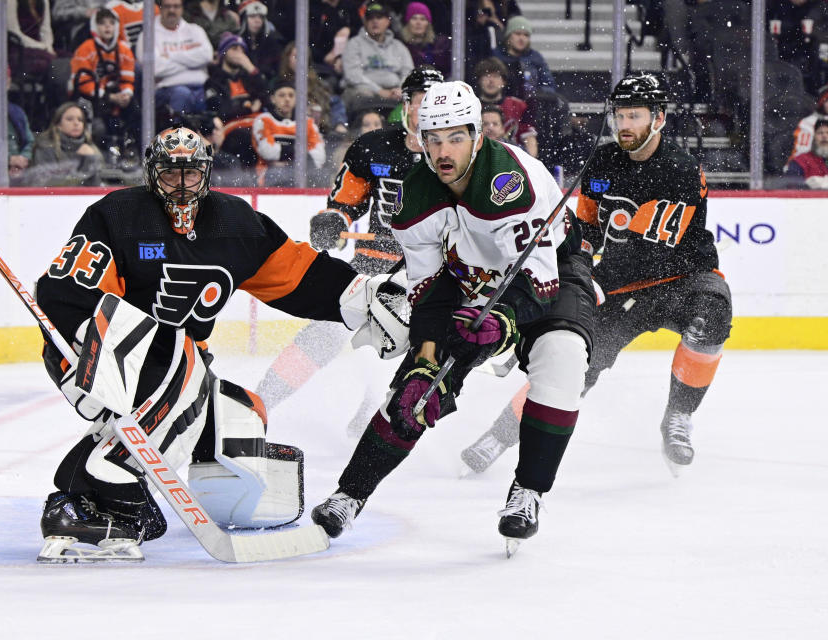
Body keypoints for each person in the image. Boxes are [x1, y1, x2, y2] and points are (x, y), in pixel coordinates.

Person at [32, 126, 403, 561]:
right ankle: (108, 493)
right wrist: (107, 364)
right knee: (180, 365)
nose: (183, 185)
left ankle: (74, 506)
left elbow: (299, 275)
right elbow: (63, 292)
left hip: (178, 368)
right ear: (152, 173)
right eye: (172, 174)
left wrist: (363, 297)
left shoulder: (233, 223)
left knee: (241, 418)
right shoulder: (117, 215)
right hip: (88, 355)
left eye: (193, 173)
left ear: (208, 173)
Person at [311, 81, 595, 551]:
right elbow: (429, 287)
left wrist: (499, 324)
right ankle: (350, 493)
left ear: (477, 136)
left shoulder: (510, 183)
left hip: (550, 274)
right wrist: (425, 358)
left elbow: (540, 285)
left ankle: (527, 491)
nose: (444, 151)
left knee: (562, 358)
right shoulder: (413, 197)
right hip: (470, 278)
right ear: (419, 138)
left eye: (456, 138)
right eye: (433, 139)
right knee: (414, 395)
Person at [461, 74, 731, 479]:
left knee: (713, 313)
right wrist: (572, 266)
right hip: (620, 288)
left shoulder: (680, 170)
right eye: (620, 115)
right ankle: (499, 436)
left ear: (658, 119)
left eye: (634, 116)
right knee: (570, 364)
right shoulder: (602, 162)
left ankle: (678, 416)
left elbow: (653, 253)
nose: (624, 124)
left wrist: (594, 283)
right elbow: (585, 229)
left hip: (683, 278)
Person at [255, 66, 443, 429]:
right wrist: (334, 221)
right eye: (419, 102)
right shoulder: (372, 147)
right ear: (404, 106)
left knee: (414, 354)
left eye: (433, 103)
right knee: (323, 334)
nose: (425, 111)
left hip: (431, 275)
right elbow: (345, 202)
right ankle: (260, 402)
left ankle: (379, 419)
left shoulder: (459, 155)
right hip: (373, 267)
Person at [70, 8, 139, 151]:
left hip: (115, 95)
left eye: (111, 23)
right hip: (90, 96)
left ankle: (133, 149)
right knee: (99, 125)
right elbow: (82, 83)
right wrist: (108, 96)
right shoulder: (85, 49)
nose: (107, 27)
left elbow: (128, 79)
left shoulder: (124, 49)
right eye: (102, 23)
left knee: (135, 110)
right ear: (95, 27)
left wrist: (126, 94)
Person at [136, 0, 214, 115]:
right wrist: (192, 64)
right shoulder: (147, 35)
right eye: (167, 6)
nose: (172, 10)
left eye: (176, 6)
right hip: (166, 92)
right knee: (182, 94)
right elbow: (155, 69)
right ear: (160, 8)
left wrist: (170, 57)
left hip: (200, 89)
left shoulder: (195, 30)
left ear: (182, 8)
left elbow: (207, 56)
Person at [341, 1, 414, 115]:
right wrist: (379, 91)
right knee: (362, 94)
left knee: (414, 96)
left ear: (388, 21)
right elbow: (353, 75)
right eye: (370, 18)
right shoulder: (354, 44)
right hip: (365, 92)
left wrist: (401, 89)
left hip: (395, 92)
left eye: (379, 17)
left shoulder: (399, 46)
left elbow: (408, 73)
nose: (375, 21)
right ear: (365, 21)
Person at [250, 80, 326, 186]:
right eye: (282, 95)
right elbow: (267, 152)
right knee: (278, 172)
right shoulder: (263, 120)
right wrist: (301, 153)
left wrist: (284, 158)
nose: (287, 99)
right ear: (273, 99)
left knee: (321, 177)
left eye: (291, 95)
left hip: (302, 175)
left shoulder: (308, 123)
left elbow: (318, 158)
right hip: (268, 178)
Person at [27, 102, 104, 186]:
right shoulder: (45, 147)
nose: (76, 123)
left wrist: (90, 158)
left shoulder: (91, 150)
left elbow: (96, 186)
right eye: (70, 119)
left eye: (80, 120)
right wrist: (86, 163)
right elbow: (49, 183)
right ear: (58, 124)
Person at [474, 57, 537, 157]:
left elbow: (529, 138)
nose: (491, 81)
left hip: (511, 160)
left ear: (504, 81)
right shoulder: (470, 107)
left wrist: (531, 162)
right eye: (486, 76)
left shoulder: (519, 106)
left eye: (495, 76)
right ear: (479, 80)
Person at [205, 32, 268, 124]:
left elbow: (268, 98)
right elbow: (221, 112)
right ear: (224, 53)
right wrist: (249, 109)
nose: (239, 53)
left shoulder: (249, 77)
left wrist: (252, 70)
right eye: (234, 49)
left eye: (242, 50)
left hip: (258, 124)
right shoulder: (213, 82)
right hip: (232, 126)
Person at [498, 15, 556, 98]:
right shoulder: (497, 56)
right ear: (509, 36)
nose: (522, 38)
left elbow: (549, 85)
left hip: (531, 103)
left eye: (526, 35)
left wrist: (535, 95)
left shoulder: (535, 57)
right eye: (518, 34)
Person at [399, 2, 451, 78]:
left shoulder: (439, 45)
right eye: (414, 18)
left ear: (428, 24)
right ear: (408, 22)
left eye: (423, 19)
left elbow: (445, 71)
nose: (418, 23)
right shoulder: (400, 45)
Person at [237, 0, 284, 76]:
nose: (257, 20)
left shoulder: (273, 43)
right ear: (243, 19)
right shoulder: (236, 43)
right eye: (252, 16)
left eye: (261, 17)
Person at [785, 117, 828, 188]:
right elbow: (791, 185)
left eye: (827, 133)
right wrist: (807, 186)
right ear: (814, 137)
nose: (824, 136)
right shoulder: (801, 161)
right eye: (820, 133)